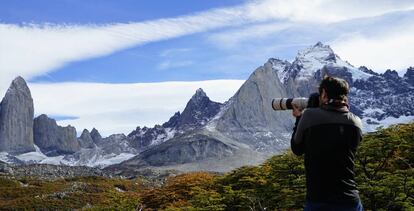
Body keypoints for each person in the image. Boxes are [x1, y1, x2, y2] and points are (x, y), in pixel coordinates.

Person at [291, 76, 364, 211]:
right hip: (350, 200)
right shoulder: (356, 122)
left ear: (324, 93)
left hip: (319, 201)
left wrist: (299, 118)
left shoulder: (309, 116)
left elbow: (297, 149)